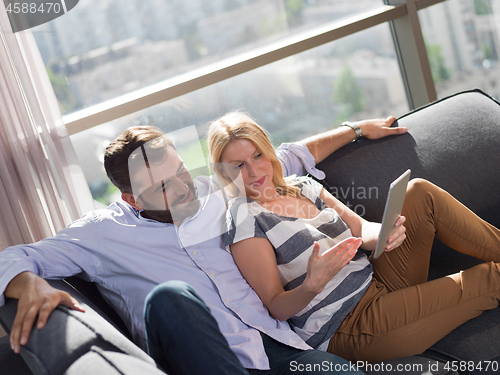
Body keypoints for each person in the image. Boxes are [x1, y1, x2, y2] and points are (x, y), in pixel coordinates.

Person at [0, 118, 405, 374]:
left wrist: (355, 130)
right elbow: (17, 256)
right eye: (161, 187)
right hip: (201, 353)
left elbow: (284, 157)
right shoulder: (101, 233)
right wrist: (25, 282)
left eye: (179, 171)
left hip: (279, 351)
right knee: (170, 297)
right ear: (132, 199)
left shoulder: (217, 191)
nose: (181, 188)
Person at [207, 111, 500, 364]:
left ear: (267, 151)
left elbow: (361, 229)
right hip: (349, 326)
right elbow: (275, 305)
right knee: (491, 278)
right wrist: (312, 285)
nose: (254, 170)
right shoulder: (245, 219)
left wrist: (386, 233)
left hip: (379, 282)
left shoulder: (302, 186)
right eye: (238, 165)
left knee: (419, 192)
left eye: (257, 155)